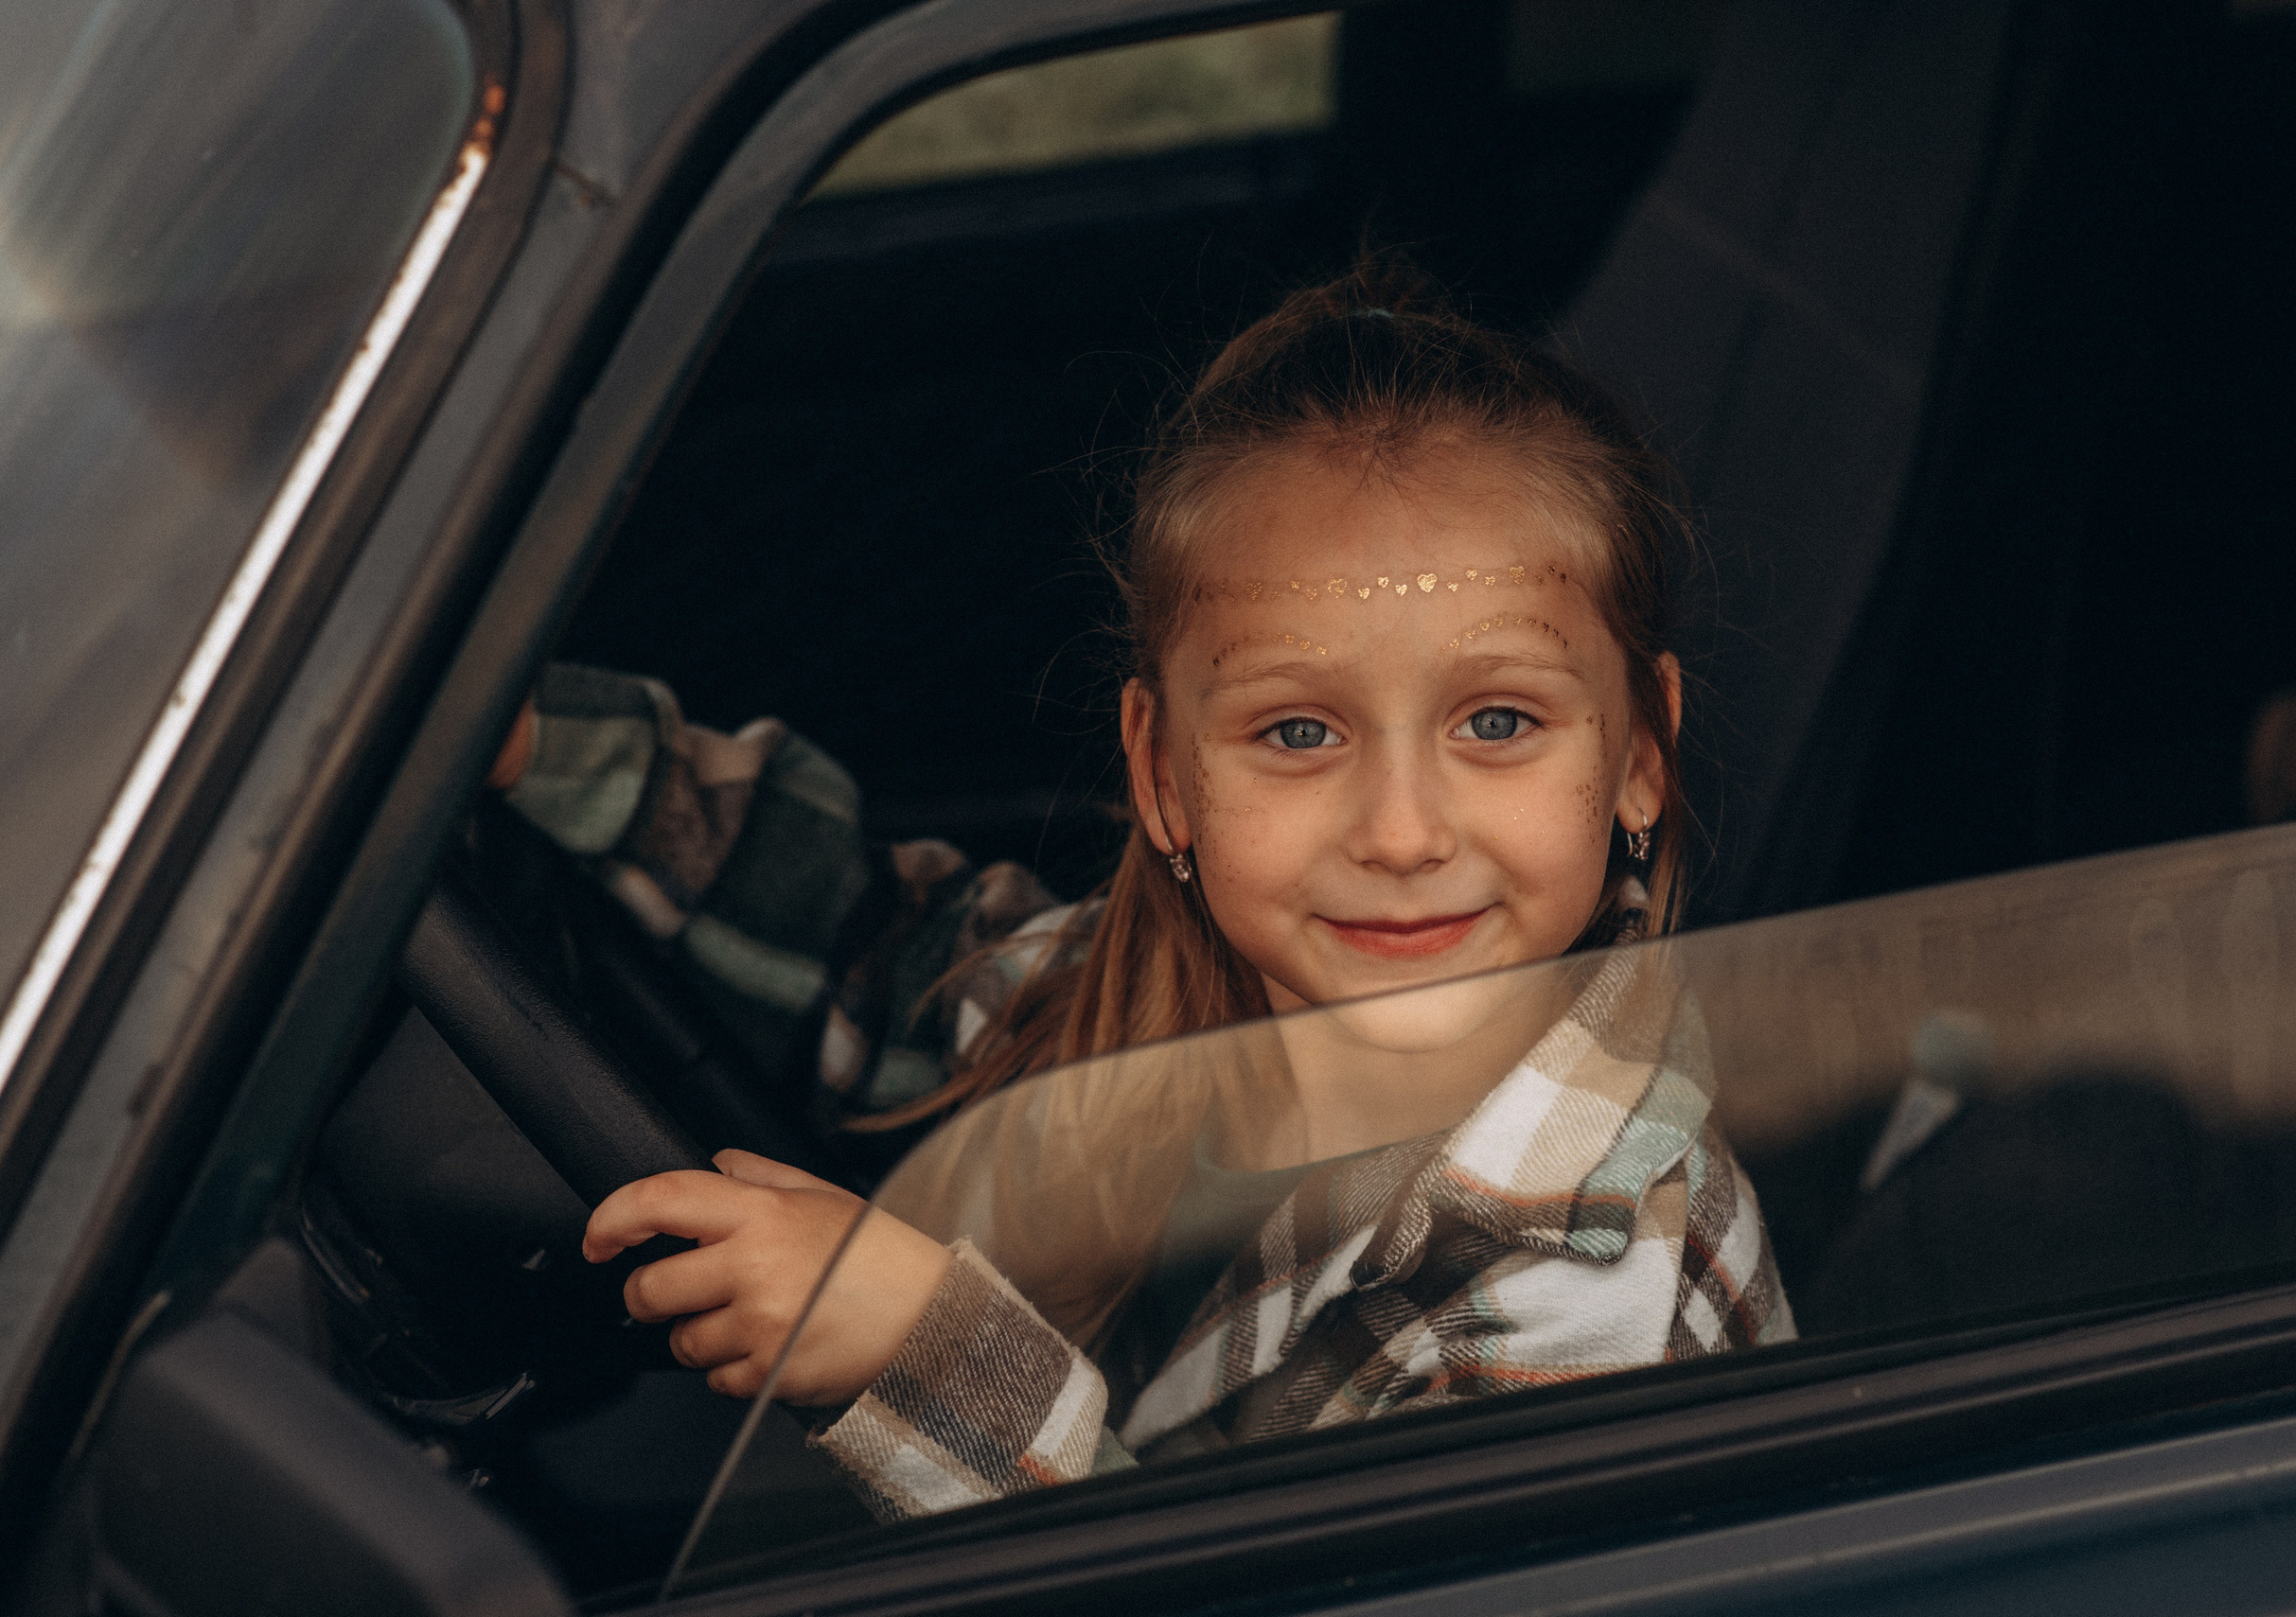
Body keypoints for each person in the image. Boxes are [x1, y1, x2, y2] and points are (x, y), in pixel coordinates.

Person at [513, 263, 1793, 1522]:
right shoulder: (1154, 1000)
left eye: (1499, 719)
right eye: (1298, 733)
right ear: (1164, 776)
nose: (1402, 833)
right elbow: (883, 954)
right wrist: (531, 755)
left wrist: (925, 1359)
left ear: (1637, 758)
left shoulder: (1599, 1301)